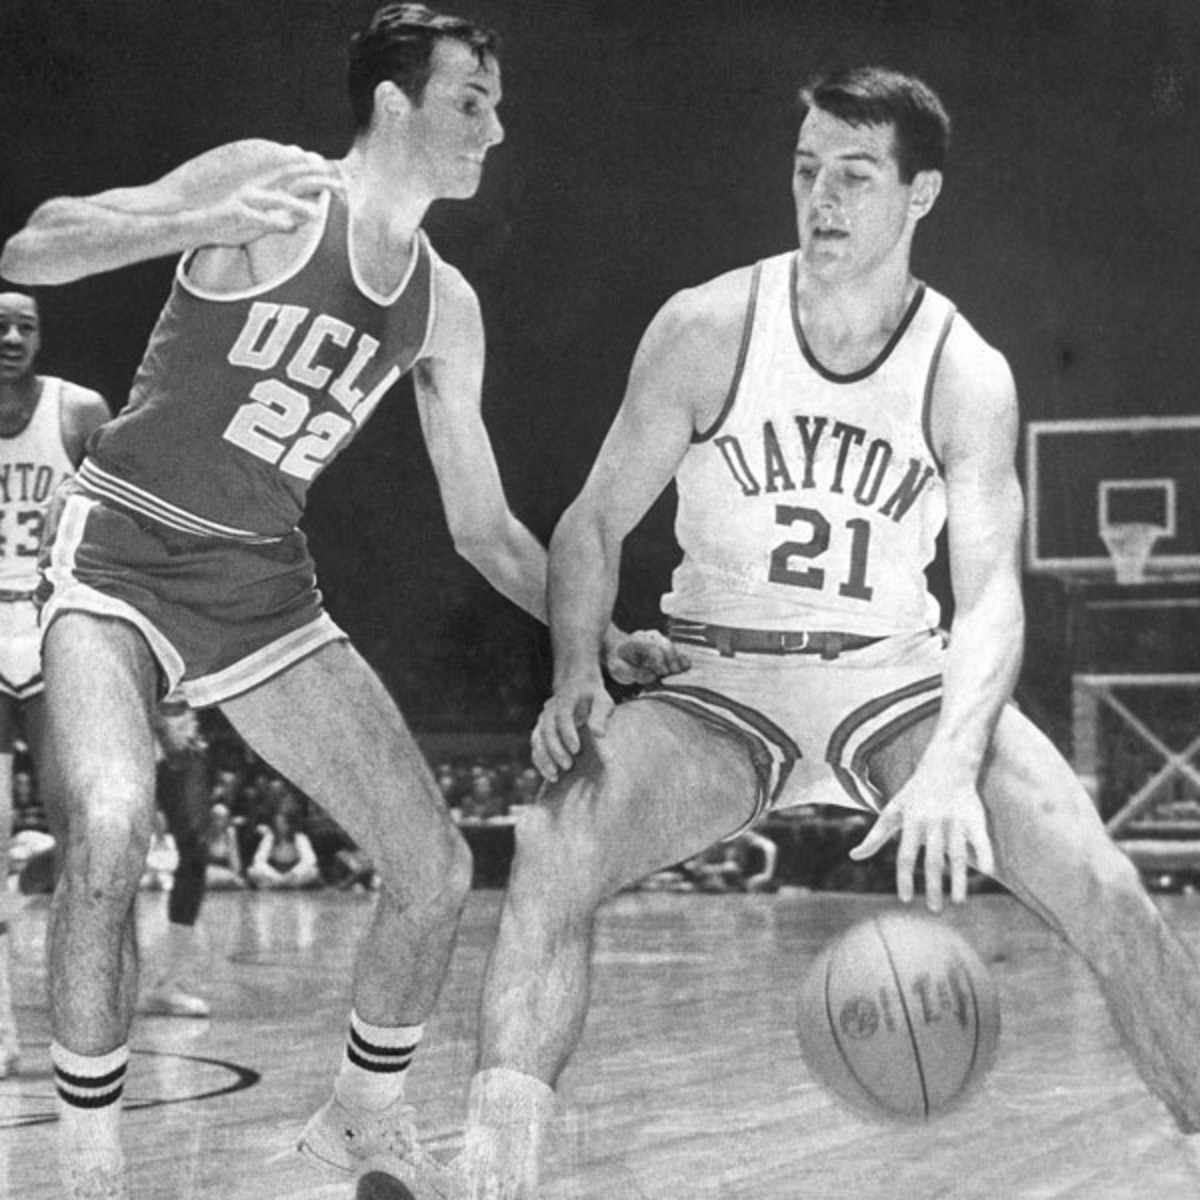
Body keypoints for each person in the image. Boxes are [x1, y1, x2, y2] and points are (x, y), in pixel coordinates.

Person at [453, 66, 1200, 1197]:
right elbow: (591, 523)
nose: (823, 198)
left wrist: (951, 762)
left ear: (920, 193)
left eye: (856, 174)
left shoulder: (965, 371)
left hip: (892, 684)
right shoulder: (708, 326)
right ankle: (491, 1174)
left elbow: (991, 597)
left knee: (1107, 887)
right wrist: (575, 672)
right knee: (555, 846)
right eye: (808, 171)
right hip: (721, 684)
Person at [0, 7, 673, 1198]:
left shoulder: (444, 306)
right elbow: (33, 247)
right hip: (120, 555)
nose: (495, 131)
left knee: (435, 867)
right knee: (109, 824)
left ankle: (360, 1123)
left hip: (261, 584)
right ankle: (89, 1172)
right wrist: (190, 223)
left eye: (498, 108)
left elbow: (483, 530)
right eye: (472, 101)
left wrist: (595, 637)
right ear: (394, 104)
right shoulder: (275, 184)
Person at [0, 290, 108, 1079]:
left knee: (82, 827)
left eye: (25, 326)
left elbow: (122, 516)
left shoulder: (78, 411)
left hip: (51, 624)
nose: (12, 336)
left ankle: (81, 1020)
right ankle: (2, 1025)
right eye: (0, 325)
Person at [247, 805, 323, 890]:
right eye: (277, 823)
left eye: (283, 823)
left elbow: (310, 860)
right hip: (274, 875)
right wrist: (277, 877)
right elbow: (259, 861)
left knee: (313, 872)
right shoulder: (270, 837)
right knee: (252, 871)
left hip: (294, 876)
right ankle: (282, 885)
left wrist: (292, 874)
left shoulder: (300, 837)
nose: (279, 826)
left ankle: (279, 886)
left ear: (290, 825)